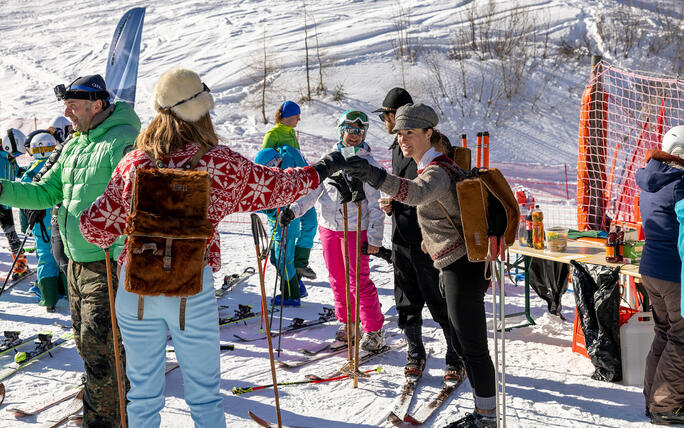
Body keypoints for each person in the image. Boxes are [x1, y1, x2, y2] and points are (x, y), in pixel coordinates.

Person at [78, 67, 345, 428]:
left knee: (141, 395)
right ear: (200, 111)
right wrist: (324, 166)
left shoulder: (134, 162)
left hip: (136, 287)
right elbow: (277, 189)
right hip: (190, 287)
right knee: (204, 395)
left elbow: (94, 230)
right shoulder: (218, 162)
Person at [344, 103, 497, 428]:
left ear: (429, 133)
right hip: (455, 265)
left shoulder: (437, 170)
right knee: (470, 346)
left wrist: (374, 175)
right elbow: (438, 209)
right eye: (400, 133)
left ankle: (487, 420)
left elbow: (417, 194)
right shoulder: (436, 166)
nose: (403, 139)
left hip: (463, 268)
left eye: (410, 132)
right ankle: (484, 414)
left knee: (473, 349)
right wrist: (431, 241)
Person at [0, 74, 139, 427]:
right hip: (76, 263)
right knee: (88, 343)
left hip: (106, 263)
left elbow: (133, 201)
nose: (68, 113)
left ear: (97, 104)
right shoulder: (76, 145)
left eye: (73, 106)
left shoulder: (121, 141)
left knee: (99, 346)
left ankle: (105, 418)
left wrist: (122, 255)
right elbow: (47, 192)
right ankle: (107, 401)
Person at [373, 88, 465, 380]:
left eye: (390, 118)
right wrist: (390, 204)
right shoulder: (398, 147)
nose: (392, 127)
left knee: (439, 303)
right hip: (401, 234)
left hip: (429, 240)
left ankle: (455, 355)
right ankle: (415, 353)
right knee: (406, 300)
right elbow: (404, 187)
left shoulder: (435, 147)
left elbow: (435, 192)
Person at [286, 110, 386, 351]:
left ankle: (374, 330)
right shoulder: (329, 158)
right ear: (341, 130)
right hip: (329, 228)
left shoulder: (368, 164)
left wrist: (374, 238)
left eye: (359, 131)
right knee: (337, 280)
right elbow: (312, 191)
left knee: (358, 282)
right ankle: (348, 323)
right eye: (350, 130)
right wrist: (293, 210)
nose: (354, 135)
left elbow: (376, 205)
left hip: (356, 228)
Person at [637, 124, 684, 425]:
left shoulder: (650, 179)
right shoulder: (680, 182)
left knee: (664, 333)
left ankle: (653, 400)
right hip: (673, 272)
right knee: (680, 338)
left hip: (650, 268)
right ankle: (665, 406)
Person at [262, 100, 318, 281]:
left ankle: (300, 262)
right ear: (287, 116)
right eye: (296, 115)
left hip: (299, 186)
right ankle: (281, 264)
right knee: (285, 232)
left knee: (311, 221)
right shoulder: (273, 134)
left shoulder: (292, 132)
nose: (299, 119)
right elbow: (264, 162)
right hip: (282, 190)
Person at [254, 146, 307, 306]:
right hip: (281, 227)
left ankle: (291, 296)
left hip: (286, 226)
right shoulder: (275, 178)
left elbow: (274, 207)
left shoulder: (279, 181)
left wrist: (260, 206)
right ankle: (298, 287)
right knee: (276, 258)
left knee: (283, 260)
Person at [20, 132, 64, 312]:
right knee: (63, 255)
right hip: (60, 219)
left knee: (45, 257)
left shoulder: (30, 173)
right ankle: (67, 291)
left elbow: (23, 201)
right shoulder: (59, 166)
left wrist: (25, 226)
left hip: (40, 224)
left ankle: (49, 297)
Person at [0, 129, 30, 281]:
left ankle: (21, 264)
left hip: (6, 205)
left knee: (12, 235)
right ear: (7, 147)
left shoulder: (11, 161)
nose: (16, 157)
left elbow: (17, 171)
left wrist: (31, 171)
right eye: (16, 154)